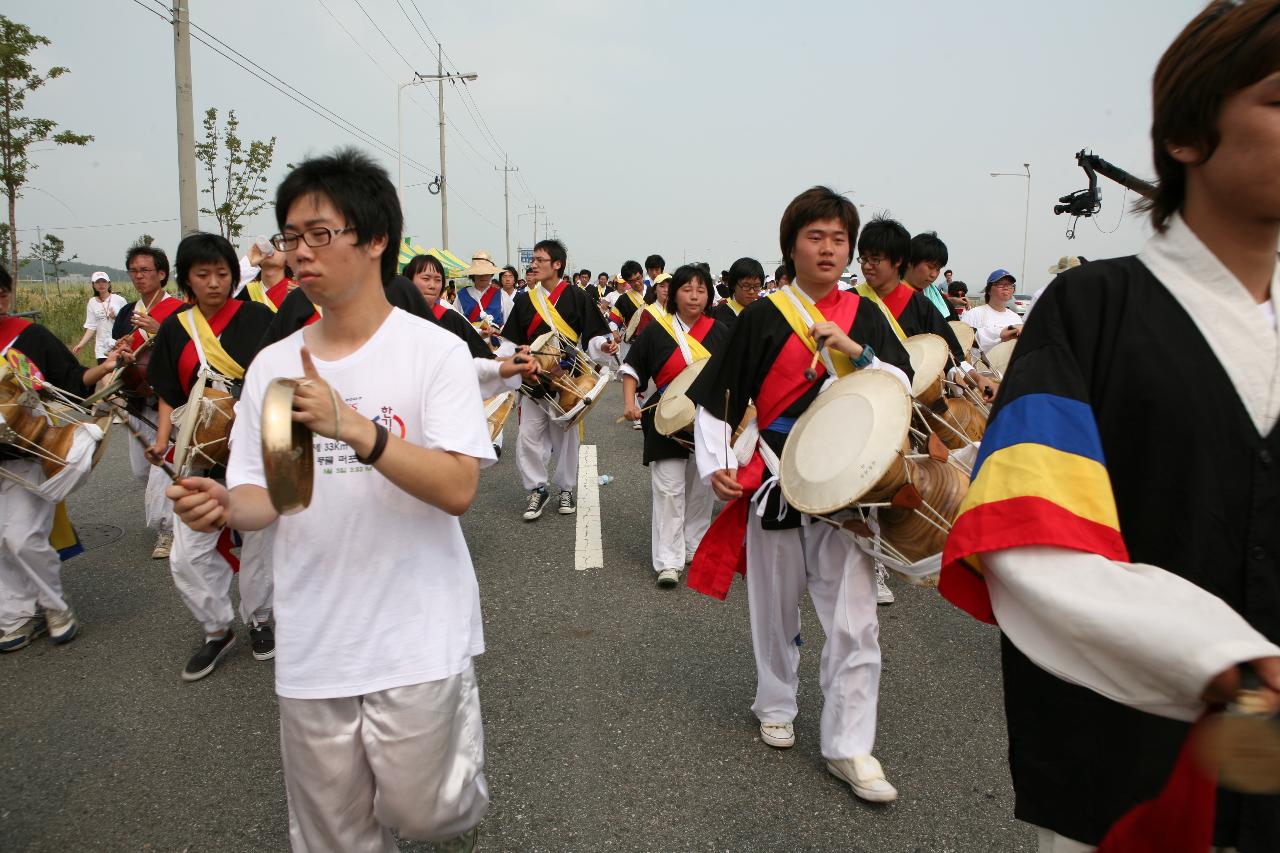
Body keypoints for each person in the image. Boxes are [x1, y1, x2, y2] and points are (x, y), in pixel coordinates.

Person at [939, 3, 1280, 850]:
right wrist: (1228, 660)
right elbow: (1032, 536)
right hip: (1125, 777)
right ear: (1190, 136)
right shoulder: (1092, 309)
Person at [170, 149, 493, 852]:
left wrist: (355, 427)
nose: (300, 253)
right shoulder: (277, 364)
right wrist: (226, 503)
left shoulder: (432, 353)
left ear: (375, 238)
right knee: (334, 836)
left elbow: (458, 488)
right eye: (291, 236)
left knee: (427, 812)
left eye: (320, 234)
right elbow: (275, 496)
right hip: (316, 634)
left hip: (417, 631)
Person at [685, 186, 912, 803]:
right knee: (775, 606)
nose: (830, 248)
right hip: (777, 476)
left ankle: (850, 746)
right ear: (792, 243)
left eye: (840, 238)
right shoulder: (760, 316)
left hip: (849, 485)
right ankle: (775, 701)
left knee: (856, 619)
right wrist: (716, 467)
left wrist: (856, 352)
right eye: (817, 236)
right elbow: (713, 399)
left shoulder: (865, 317)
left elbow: (902, 386)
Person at [146, 232, 276, 681]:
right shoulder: (175, 329)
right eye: (204, 275)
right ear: (187, 280)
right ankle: (217, 628)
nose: (215, 282)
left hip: (256, 450)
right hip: (200, 455)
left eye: (223, 273)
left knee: (260, 540)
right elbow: (167, 392)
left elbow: (282, 381)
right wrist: (163, 442)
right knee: (187, 554)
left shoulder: (259, 317)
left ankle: (259, 616)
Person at [0, 264, 126, 652]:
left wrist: (106, 367)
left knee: (19, 538)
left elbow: (70, 377)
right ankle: (17, 613)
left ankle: (54, 607)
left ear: (4, 296)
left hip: (26, 454)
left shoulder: (27, 337)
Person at [621, 265, 728, 588]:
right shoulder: (656, 331)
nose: (694, 296)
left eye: (701, 290)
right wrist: (630, 403)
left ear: (709, 294)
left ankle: (694, 544)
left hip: (708, 419)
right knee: (669, 489)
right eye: (687, 289)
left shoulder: (721, 331)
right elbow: (632, 368)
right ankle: (668, 560)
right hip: (666, 419)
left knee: (701, 489)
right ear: (672, 293)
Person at [503, 238, 617, 520]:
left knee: (566, 437)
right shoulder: (526, 299)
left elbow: (593, 334)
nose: (534, 265)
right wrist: (512, 353)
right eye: (534, 260)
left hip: (570, 376)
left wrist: (604, 345)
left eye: (540, 260)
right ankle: (537, 489)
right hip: (534, 379)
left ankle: (565, 487)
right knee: (529, 435)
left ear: (557, 265)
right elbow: (512, 340)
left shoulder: (578, 297)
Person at [112, 245, 185, 559]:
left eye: (145, 270)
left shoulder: (179, 311)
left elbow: (191, 351)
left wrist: (160, 330)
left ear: (162, 274)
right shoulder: (128, 313)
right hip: (136, 397)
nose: (139, 276)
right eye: (134, 270)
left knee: (163, 462)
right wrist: (122, 352)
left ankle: (166, 530)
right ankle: (176, 513)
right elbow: (113, 356)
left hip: (168, 399)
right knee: (141, 469)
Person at [960, 269, 1023, 353]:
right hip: (980, 365)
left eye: (1009, 285)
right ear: (989, 290)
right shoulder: (974, 314)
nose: (1006, 288)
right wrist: (1000, 336)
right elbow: (962, 339)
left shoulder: (1016, 318)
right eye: (1000, 284)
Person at [453, 251, 513, 336]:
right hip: (470, 344)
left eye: (486, 272)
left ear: (491, 274)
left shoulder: (502, 295)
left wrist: (496, 330)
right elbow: (456, 324)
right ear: (473, 274)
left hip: (495, 347)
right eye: (479, 272)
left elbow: (511, 323)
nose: (483, 276)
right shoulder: (461, 296)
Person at [72, 272, 127, 363]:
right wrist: (80, 345)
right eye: (97, 282)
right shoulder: (92, 302)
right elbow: (91, 327)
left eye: (103, 281)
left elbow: (127, 322)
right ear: (93, 285)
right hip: (102, 348)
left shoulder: (119, 300)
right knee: (105, 375)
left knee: (119, 375)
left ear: (109, 283)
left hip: (118, 345)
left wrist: (116, 318)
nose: (101, 284)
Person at [903, 231, 957, 320]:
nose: (934, 275)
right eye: (930, 267)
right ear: (910, 261)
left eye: (938, 269)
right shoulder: (891, 294)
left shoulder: (939, 298)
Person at [709, 256, 764, 329]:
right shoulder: (716, 316)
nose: (751, 291)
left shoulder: (765, 313)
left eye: (756, 286)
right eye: (746, 286)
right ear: (733, 284)